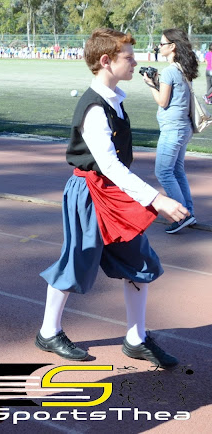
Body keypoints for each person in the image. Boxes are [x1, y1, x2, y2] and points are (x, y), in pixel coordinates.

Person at [35, 28, 189, 369]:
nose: (136, 62)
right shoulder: (94, 108)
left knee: (140, 262)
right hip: (90, 193)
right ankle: (48, 332)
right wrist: (156, 199)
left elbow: (114, 171)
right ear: (106, 61)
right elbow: (108, 165)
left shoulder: (114, 99)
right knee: (77, 262)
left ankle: (136, 338)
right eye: (128, 58)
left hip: (112, 193)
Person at [143, 28, 197, 234]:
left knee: (163, 172)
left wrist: (150, 84)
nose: (159, 47)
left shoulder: (169, 71)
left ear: (172, 46)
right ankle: (188, 211)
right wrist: (158, 82)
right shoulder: (183, 69)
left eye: (162, 43)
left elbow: (163, 101)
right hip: (184, 127)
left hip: (173, 129)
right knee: (177, 170)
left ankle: (182, 215)